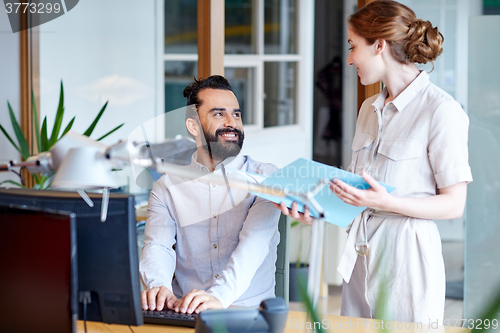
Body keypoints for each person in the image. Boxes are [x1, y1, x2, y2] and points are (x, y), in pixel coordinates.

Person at [275, 0, 472, 323]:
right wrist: (318, 208)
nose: (349, 58)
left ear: (378, 45)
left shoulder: (441, 110)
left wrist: (388, 201)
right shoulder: (369, 108)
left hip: (407, 260)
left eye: (353, 47)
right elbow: (360, 193)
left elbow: (453, 205)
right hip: (359, 257)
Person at [140, 75, 280, 314]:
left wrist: (218, 297)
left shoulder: (266, 178)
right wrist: (159, 285)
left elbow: (253, 244)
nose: (232, 122)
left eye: (236, 114)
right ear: (193, 125)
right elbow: (157, 245)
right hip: (185, 311)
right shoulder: (167, 186)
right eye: (219, 114)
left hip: (247, 311)